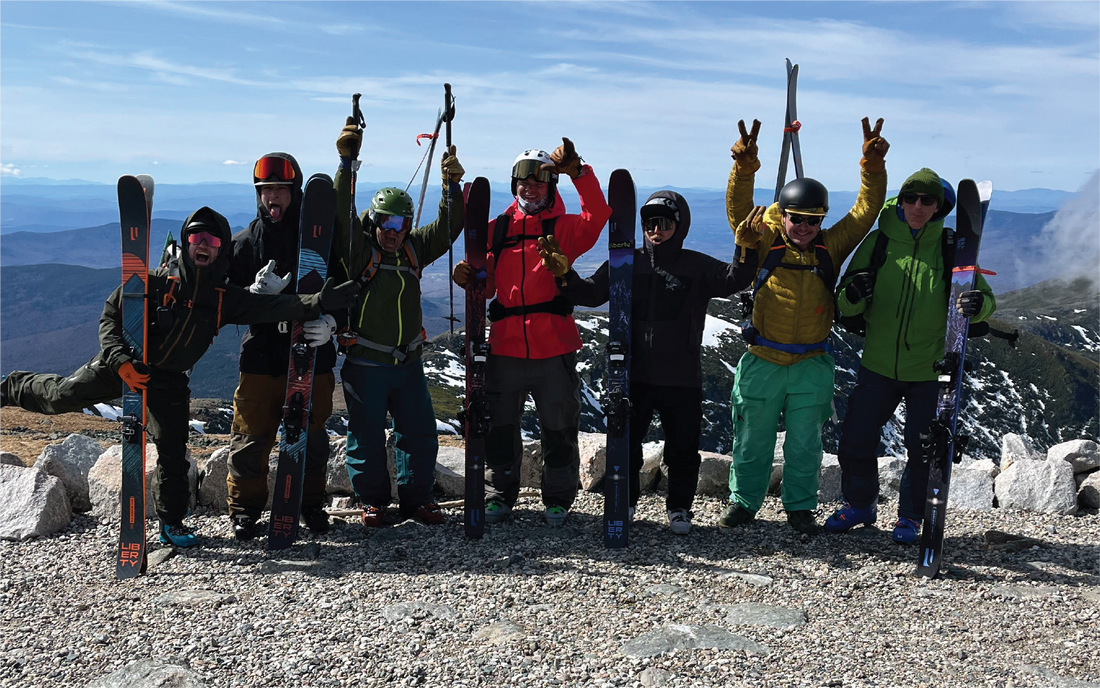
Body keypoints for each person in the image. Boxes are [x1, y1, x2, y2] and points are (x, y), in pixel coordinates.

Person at [0, 208, 359, 547]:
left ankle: (170, 523)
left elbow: (273, 307)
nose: (204, 244)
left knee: (172, 452)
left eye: (213, 241)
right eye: (197, 237)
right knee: (60, 397)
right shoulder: (156, 282)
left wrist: (319, 303)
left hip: (169, 381)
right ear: (186, 243)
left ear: (221, 251)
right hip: (123, 366)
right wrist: (121, 361)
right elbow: (111, 315)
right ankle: (9, 386)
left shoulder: (222, 298)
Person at [547, 190, 756, 533]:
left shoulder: (695, 265)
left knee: (683, 448)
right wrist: (565, 276)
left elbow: (735, 279)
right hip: (634, 374)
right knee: (627, 444)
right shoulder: (625, 260)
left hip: (682, 375)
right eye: (649, 223)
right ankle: (625, 502)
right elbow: (591, 293)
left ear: (680, 225)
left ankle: (679, 508)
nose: (656, 230)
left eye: (665, 223)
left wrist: (745, 250)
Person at [719, 117, 890, 535]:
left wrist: (871, 168)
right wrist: (743, 169)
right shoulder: (764, 242)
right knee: (751, 441)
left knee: (805, 445)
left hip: (811, 362)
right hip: (762, 357)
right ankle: (743, 503)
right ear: (786, 215)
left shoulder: (829, 246)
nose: (806, 227)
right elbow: (740, 213)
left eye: (814, 221)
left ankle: (800, 507)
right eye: (798, 218)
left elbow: (865, 214)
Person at [825, 168, 996, 543]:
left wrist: (977, 303)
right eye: (911, 198)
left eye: (927, 200)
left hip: (929, 367)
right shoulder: (879, 242)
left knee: (923, 447)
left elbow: (985, 301)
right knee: (856, 438)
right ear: (900, 201)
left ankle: (911, 516)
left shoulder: (951, 246)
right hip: (878, 364)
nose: (918, 206)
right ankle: (859, 504)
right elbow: (844, 303)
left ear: (939, 207)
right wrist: (853, 295)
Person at [452, 139, 612, 526]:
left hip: (553, 345)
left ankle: (557, 498)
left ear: (550, 186)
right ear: (514, 185)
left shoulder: (564, 227)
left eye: (540, 180)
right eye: (523, 180)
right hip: (505, 346)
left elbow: (598, 216)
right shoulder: (498, 229)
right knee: (501, 427)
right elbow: (486, 283)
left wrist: (579, 173)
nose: (530, 186)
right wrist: (471, 278)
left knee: (559, 427)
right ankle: (498, 495)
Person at [330, 117, 466, 527]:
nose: (393, 231)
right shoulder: (359, 250)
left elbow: (448, 227)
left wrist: (451, 188)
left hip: (407, 363)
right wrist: (346, 163)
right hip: (367, 363)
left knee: (419, 432)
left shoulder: (412, 249)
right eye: (386, 223)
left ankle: (417, 500)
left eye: (401, 223)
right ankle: (373, 501)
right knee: (366, 435)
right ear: (374, 222)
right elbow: (340, 211)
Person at [222, 153, 345, 541]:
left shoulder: (321, 239)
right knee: (250, 436)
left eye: (280, 189)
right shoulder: (243, 244)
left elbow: (346, 292)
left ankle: (309, 503)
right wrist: (252, 297)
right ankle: (244, 510)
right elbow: (221, 302)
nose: (272, 197)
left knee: (312, 433)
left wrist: (333, 324)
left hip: (313, 353)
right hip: (261, 355)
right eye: (265, 190)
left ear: (295, 192)